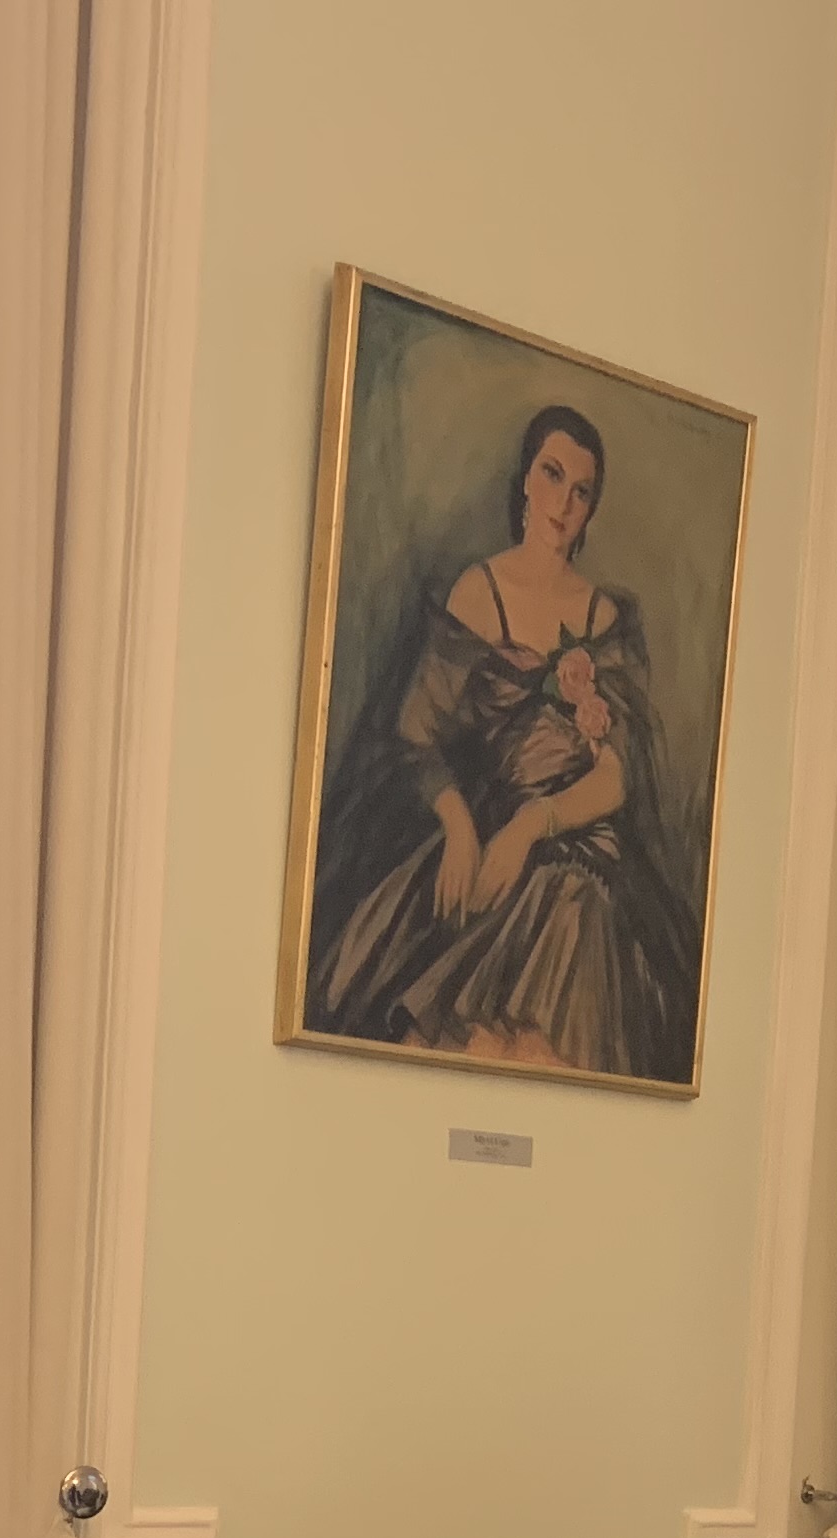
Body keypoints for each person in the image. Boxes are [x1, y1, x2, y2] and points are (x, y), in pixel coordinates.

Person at [301, 405, 704, 1083]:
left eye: (582, 491)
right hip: (487, 827)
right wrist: (461, 826)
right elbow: (416, 738)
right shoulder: (479, 591)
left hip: (581, 844)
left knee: (576, 910)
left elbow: (615, 777)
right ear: (524, 480)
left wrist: (531, 826)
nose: (563, 503)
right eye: (552, 475)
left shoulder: (604, 615)